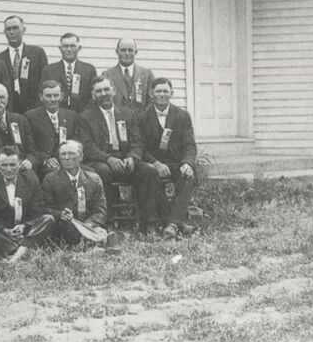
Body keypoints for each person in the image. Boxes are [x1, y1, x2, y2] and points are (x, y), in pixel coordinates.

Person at [0, 144, 56, 263]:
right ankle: (21, 251)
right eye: (4, 165)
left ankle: (16, 253)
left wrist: (24, 226)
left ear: (20, 163)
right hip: (1, 234)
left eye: (12, 165)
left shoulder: (31, 181)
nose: (8, 169)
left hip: (26, 231)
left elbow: (38, 211)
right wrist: (5, 230)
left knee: (48, 219)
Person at [138, 77, 200, 237]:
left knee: (187, 175)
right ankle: (174, 224)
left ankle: (172, 224)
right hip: (154, 164)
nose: (162, 95)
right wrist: (156, 163)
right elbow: (140, 148)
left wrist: (187, 163)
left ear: (171, 93)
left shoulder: (182, 115)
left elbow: (190, 145)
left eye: (165, 91)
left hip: (176, 163)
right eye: (158, 91)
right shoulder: (142, 118)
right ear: (151, 94)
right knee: (150, 174)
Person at [79, 77, 145, 221]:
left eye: (106, 89)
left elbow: (137, 141)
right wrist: (108, 158)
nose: (103, 94)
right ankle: (107, 218)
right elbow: (88, 146)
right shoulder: (85, 117)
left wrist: (132, 157)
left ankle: (149, 220)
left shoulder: (128, 114)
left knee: (148, 171)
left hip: (126, 160)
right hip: (101, 161)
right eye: (99, 91)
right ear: (93, 95)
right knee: (103, 171)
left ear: (113, 91)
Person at [41, 139, 109, 248]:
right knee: (72, 229)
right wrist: (60, 214)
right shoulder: (50, 179)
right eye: (63, 154)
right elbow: (45, 208)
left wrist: (87, 226)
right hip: (65, 227)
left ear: (81, 156)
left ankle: (90, 240)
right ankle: (95, 241)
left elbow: (100, 211)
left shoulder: (94, 179)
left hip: (88, 225)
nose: (66, 158)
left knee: (96, 230)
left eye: (71, 154)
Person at [24, 78, 86, 175]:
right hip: (43, 164)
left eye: (56, 95)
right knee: (55, 175)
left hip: (69, 159)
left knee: (91, 173)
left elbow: (76, 140)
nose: (52, 99)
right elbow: (30, 146)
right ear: (41, 97)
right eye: (48, 96)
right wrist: (45, 159)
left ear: (61, 96)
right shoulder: (30, 116)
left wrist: (69, 156)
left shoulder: (71, 115)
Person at [0, 14, 49, 116]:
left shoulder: (37, 53)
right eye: (8, 29)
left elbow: (45, 82)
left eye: (15, 28)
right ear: (4, 32)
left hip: (34, 110)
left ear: (24, 29)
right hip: (8, 111)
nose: (12, 32)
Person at [51, 32, 98, 113]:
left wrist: (86, 114)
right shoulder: (50, 70)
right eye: (65, 46)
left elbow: (94, 96)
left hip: (83, 115)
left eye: (72, 46)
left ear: (79, 48)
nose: (69, 49)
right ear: (60, 48)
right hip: (58, 115)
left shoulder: (89, 69)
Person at [103, 37, 154, 110]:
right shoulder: (107, 75)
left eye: (130, 50)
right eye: (123, 50)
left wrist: (142, 118)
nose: (127, 53)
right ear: (117, 52)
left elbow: (152, 101)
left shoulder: (147, 75)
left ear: (136, 52)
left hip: (141, 120)